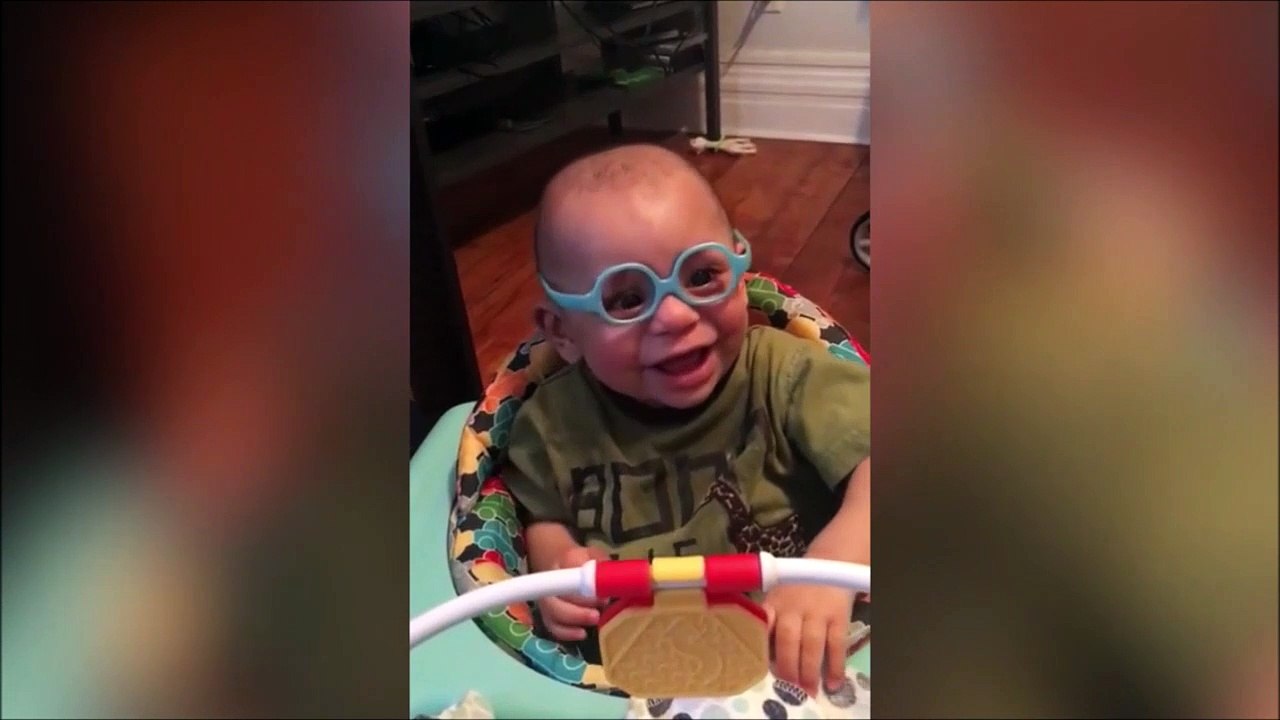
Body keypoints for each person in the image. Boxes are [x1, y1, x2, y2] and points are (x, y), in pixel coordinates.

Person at [502, 143, 871, 697]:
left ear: (741, 272)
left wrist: (831, 568)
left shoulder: (786, 375)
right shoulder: (553, 423)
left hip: (795, 670)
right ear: (561, 331)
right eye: (626, 299)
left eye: (701, 276)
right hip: (629, 676)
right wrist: (557, 568)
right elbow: (539, 515)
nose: (675, 315)